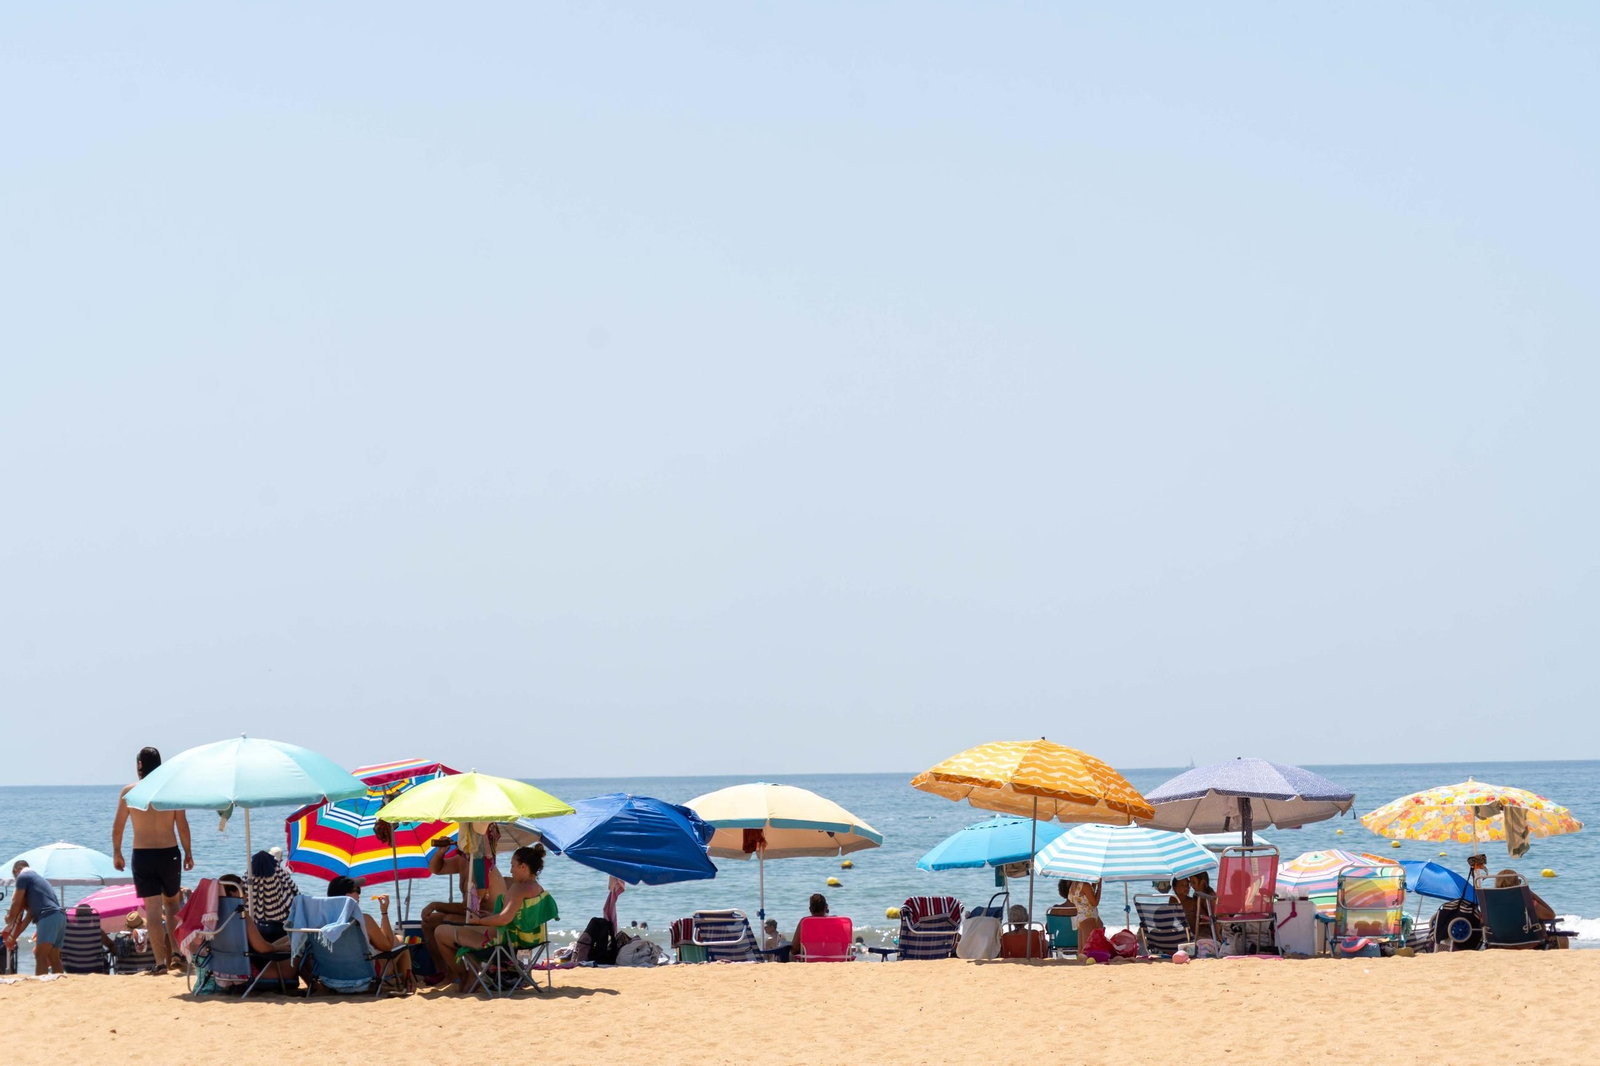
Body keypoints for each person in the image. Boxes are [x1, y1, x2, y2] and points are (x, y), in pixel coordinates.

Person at [112, 746, 194, 974]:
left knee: (153, 911)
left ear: (139, 765)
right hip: (169, 853)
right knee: (173, 905)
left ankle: (159, 963)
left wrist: (116, 852)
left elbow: (118, 827)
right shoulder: (172, 791)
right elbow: (182, 826)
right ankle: (176, 953)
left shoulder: (129, 792)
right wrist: (188, 852)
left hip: (143, 854)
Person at [435, 844, 556, 992]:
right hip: (524, 942)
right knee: (464, 929)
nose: (511, 871)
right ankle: (472, 973)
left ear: (523, 866)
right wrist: (492, 917)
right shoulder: (537, 889)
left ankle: (468, 974)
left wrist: (478, 921)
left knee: (440, 932)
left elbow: (504, 920)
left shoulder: (518, 888)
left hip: (500, 944)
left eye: (513, 866)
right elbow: (515, 917)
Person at [419, 824, 506, 980]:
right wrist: (441, 853)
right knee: (428, 922)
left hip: (487, 920)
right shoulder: (464, 860)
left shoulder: (482, 865)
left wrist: (435, 905)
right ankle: (444, 971)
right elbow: (435, 869)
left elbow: (470, 907)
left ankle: (462, 974)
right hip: (472, 916)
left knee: (447, 920)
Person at [327, 876, 415, 992]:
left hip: (331, 978)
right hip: (364, 976)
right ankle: (409, 984)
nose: (359, 895)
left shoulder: (324, 922)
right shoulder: (363, 920)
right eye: (356, 891)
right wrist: (384, 912)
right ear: (348, 897)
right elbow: (387, 946)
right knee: (401, 941)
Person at [2, 861, 65, 975]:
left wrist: (9, 917)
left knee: (40, 956)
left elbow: (15, 902)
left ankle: (41, 985)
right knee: (54, 957)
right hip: (59, 916)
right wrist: (13, 936)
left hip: (48, 916)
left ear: (17, 871)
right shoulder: (38, 881)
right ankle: (61, 984)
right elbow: (28, 917)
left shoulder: (23, 876)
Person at [1494, 869, 1569, 949]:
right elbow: (1551, 915)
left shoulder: (1492, 903)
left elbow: (1484, 921)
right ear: (1516, 883)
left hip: (1502, 943)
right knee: (1563, 939)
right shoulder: (1526, 902)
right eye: (1519, 881)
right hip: (1528, 943)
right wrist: (1531, 894)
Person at [1066, 879, 1103, 960]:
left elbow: (1086, 898)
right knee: (1088, 951)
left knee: (1082, 950)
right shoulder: (1085, 885)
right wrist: (1099, 887)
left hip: (1081, 916)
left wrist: (1094, 885)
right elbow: (1095, 903)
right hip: (1088, 917)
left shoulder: (1073, 885)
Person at [788, 893, 829, 959]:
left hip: (809, 958)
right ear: (826, 908)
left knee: (790, 953)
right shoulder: (835, 922)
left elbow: (795, 948)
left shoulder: (805, 922)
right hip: (832, 957)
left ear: (810, 909)